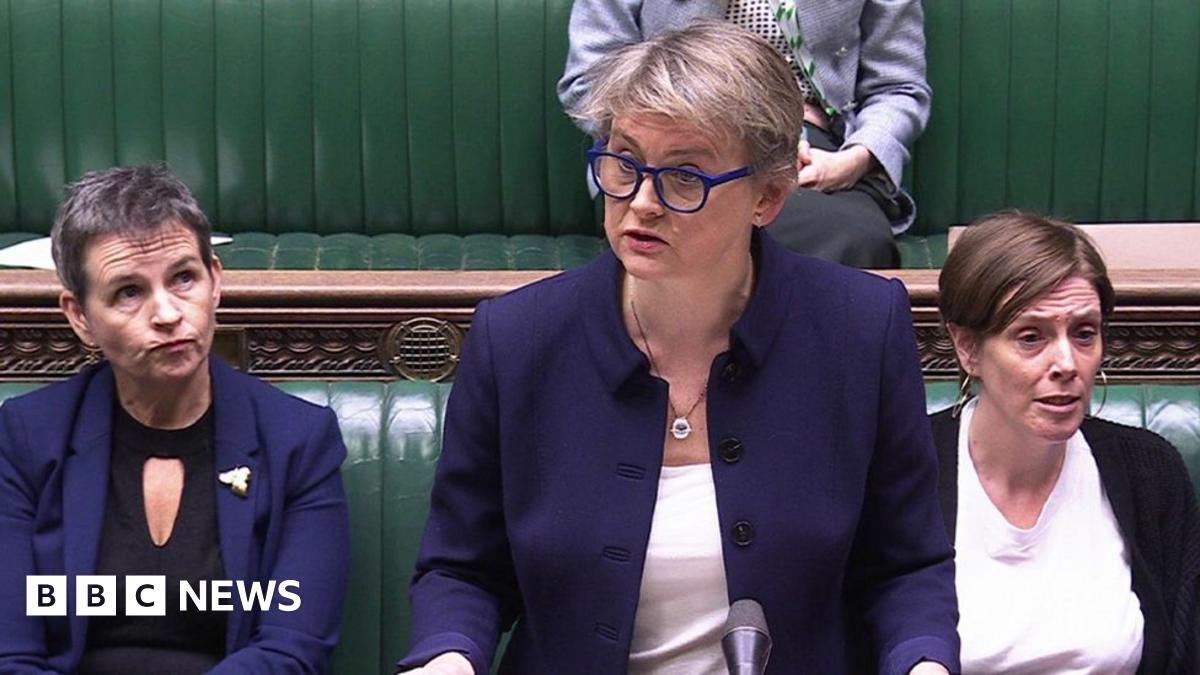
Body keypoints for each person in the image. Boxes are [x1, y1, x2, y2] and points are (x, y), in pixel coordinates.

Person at [398, 22, 957, 674]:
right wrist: (447, 658)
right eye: (624, 161)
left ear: (768, 197)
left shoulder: (860, 328)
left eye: (684, 177)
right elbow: (462, 569)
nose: (642, 202)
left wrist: (923, 663)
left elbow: (905, 568)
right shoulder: (518, 338)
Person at [0, 165, 351, 673]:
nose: (167, 314)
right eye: (128, 292)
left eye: (184, 278)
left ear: (215, 281)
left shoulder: (297, 441)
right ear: (80, 317)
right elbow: (11, 654)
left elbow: (291, 650)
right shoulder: (27, 437)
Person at [932, 212, 1200, 673]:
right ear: (968, 348)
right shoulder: (906, 468)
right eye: (1030, 337)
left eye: (1084, 334)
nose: (1067, 363)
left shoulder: (1150, 472)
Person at [558, 0, 932, 268]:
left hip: (814, 149)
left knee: (855, 236)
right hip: (667, 143)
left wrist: (854, 160)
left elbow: (898, 88)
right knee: (697, 224)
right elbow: (587, 82)